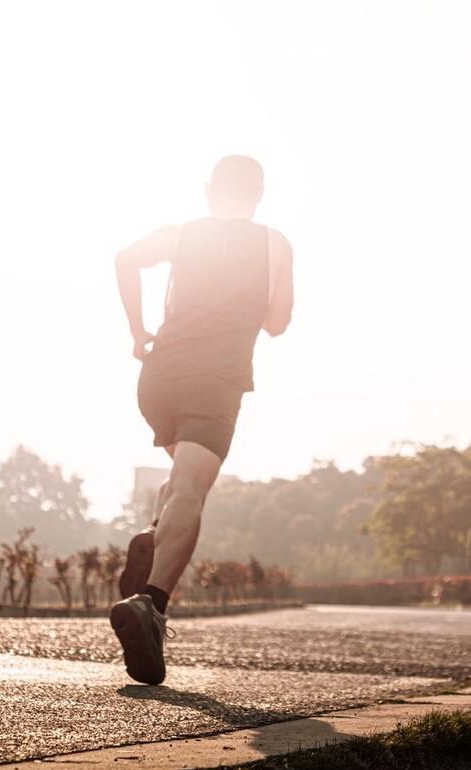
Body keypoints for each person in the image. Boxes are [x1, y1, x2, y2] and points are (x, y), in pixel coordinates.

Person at [110, 155, 294, 684]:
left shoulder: (180, 234)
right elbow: (278, 322)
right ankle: (152, 603)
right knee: (192, 489)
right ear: (259, 194)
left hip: (158, 376)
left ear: (208, 189)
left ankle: (152, 532)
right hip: (215, 380)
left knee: (182, 477)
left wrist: (137, 331)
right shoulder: (273, 243)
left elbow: (125, 258)